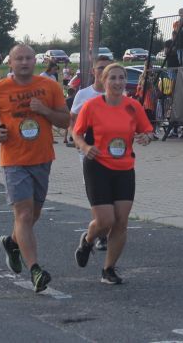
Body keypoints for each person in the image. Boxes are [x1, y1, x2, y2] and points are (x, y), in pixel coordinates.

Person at [0, 44, 69, 293]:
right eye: (19, 59)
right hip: (14, 160)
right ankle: (35, 270)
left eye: (28, 58)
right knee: (24, 216)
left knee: (33, 216)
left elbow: (65, 120)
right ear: (11, 63)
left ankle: (12, 243)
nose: (24, 62)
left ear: (35, 61)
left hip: (42, 158)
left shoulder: (49, 86)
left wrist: (45, 110)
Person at [73, 63, 154, 285]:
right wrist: (85, 147)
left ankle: (108, 269)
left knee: (121, 222)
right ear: (104, 81)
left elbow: (147, 129)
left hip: (124, 168)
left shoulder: (133, 106)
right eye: (113, 78)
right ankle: (88, 240)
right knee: (105, 221)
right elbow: (76, 133)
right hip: (97, 166)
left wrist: (146, 137)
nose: (118, 82)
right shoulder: (91, 106)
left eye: (121, 78)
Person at [69, 55, 112, 250]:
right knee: (97, 192)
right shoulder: (84, 94)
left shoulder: (117, 93)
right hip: (89, 150)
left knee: (111, 191)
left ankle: (104, 228)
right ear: (93, 71)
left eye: (107, 68)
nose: (104, 71)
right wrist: (77, 140)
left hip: (112, 152)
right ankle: (102, 234)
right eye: (100, 68)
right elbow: (72, 119)